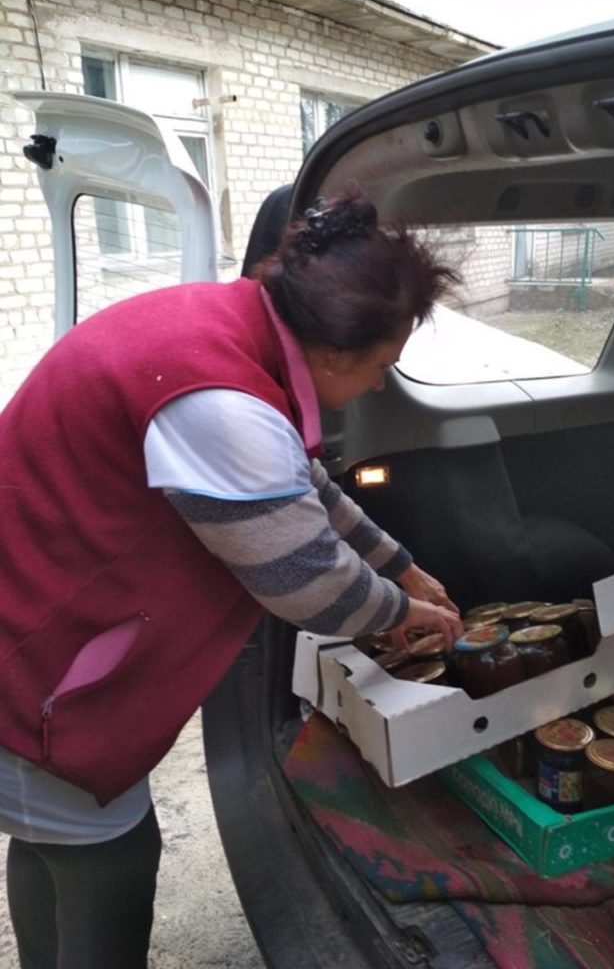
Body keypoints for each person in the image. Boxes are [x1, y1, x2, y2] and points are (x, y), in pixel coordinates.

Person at [0, 188, 464, 969]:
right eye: (383, 366)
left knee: (52, 837)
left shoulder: (228, 330)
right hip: (34, 663)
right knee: (108, 861)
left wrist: (403, 567)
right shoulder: (220, 402)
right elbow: (305, 582)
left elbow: (301, 484)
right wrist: (401, 613)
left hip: (37, 626)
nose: (382, 385)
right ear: (334, 354)